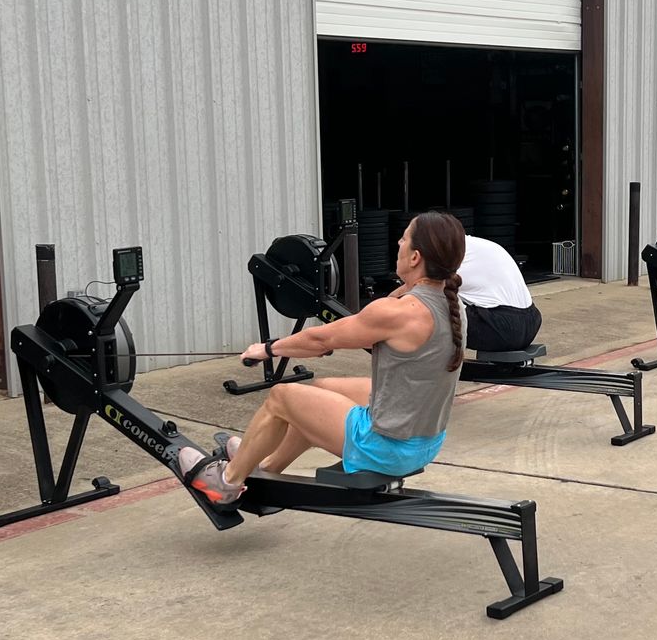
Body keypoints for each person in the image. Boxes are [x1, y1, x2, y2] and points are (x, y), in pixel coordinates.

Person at [177, 211, 467, 506]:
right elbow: (394, 305)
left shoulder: (400, 313)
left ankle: (227, 482)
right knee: (321, 390)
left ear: (415, 257)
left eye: (404, 239)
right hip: (425, 444)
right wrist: (409, 283)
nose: (398, 243)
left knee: (281, 396)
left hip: (387, 449)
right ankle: (266, 465)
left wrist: (268, 349)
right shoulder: (452, 304)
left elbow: (320, 340)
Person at [456, 233, 542, 352]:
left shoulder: (449, 254)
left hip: (501, 327)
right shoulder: (481, 245)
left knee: (436, 308)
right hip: (531, 320)